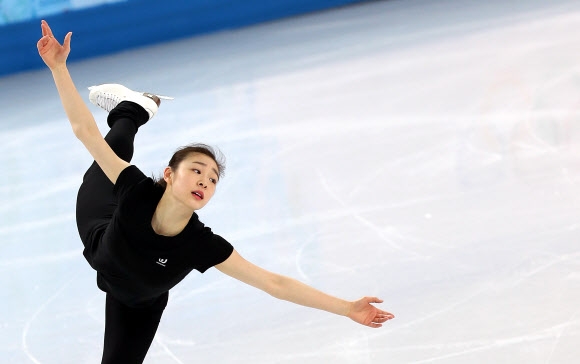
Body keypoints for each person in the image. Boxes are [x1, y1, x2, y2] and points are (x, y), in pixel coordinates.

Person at [37, 19, 395, 364]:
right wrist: (57, 67)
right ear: (169, 175)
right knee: (109, 153)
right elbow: (85, 131)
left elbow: (274, 283)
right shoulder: (138, 191)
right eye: (196, 171)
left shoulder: (200, 243)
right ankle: (132, 110)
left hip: (136, 303)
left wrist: (347, 307)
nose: (204, 182)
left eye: (211, 180)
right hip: (100, 223)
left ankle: (131, 111)